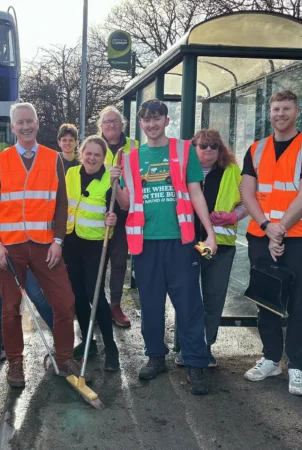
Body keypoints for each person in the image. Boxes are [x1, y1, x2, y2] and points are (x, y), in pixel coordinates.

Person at [111, 99, 217, 395]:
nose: (151, 124)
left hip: (181, 242)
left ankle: (196, 364)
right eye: (146, 120)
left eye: (157, 118)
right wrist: (116, 183)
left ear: (166, 121)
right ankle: (155, 356)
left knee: (189, 306)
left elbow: (196, 193)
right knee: (151, 304)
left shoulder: (184, 151)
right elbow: (125, 203)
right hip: (145, 244)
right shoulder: (130, 158)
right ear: (140, 124)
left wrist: (209, 233)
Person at [0, 102, 82, 388]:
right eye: (20, 123)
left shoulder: (53, 159)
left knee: (65, 302)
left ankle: (63, 358)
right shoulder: (0, 161)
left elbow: (61, 203)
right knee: (11, 308)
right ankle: (15, 362)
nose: (25, 126)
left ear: (37, 124)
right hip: (10, 249)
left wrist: (58, 240)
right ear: (12, 127)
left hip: (45, 246)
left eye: (30, 121)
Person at [239, 89, 302, 396]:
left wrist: (280, 230)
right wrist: (267, 227)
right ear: (270, 113)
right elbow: (246, 192)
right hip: (262, 234)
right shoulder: (256, 149)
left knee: (301, 302)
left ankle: (298, 366)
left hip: (300, 236)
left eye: (286, 108)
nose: (280, 114)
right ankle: (271, 358)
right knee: (266, 300)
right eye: (275, 109)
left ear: (297, 111)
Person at [175, 129, 247, 369]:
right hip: (187, 244)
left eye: (214, 146)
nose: (209, 150)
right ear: (193, 148)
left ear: (221, 149)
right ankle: (186, 347)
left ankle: (206, 347)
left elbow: (247, 203)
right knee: (188, 297)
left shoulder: (233, 171)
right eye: (203, 145)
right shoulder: (182, 171)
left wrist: (231, 216)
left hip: (219, 248)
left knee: (213, 297)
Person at [64, 135, 121, 371]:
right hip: (71, 240)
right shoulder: (71, 174)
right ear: (82, 153)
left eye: (98, 154)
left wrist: (113, 216)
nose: (92, 157)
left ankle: (111, 347)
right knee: (77, 296)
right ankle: (89, 341)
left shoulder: (111, 179)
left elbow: (118, 208)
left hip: (96, 243)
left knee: (94, 294)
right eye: (89, 153)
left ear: (103, 157)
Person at [98, 105, 139, 328]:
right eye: (107, 122)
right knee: (97, 260)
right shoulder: (94, 144)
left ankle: (115, 305)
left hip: (125, 210)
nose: (111, 125)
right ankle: (96, 304)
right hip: (97, 210)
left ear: (122, 124)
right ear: (101, 126)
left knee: (119, 260)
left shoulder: (135, 146)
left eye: (115, 121)